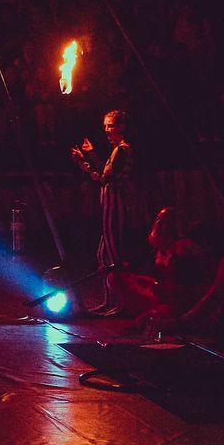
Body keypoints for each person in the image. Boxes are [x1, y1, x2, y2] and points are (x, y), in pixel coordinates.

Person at [72, 106, 134, 315]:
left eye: (110, 126)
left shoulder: (122, 149)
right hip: (109, 206)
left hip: (115, 207)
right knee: (104, 255)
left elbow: (106, 177)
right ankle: (110, 302)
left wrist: (88, 157)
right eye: (105, 126)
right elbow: (101, 178)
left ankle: (121, 303)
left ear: (121, 127)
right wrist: (85, 163)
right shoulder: (117, 150)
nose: (107, 130)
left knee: (113, 256)